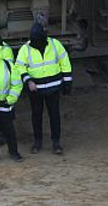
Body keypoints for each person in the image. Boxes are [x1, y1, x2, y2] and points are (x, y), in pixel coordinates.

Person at [15, 22, 72, 155]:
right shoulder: (26, 49)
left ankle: (56, 143)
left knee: (54, 115)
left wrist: (67, 82)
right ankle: (37, 142)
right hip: (35, 90)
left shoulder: (55, 44)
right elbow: (19, 66)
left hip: (53, 88)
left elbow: (65, 62)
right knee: (36, 115)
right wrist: (28, 80)